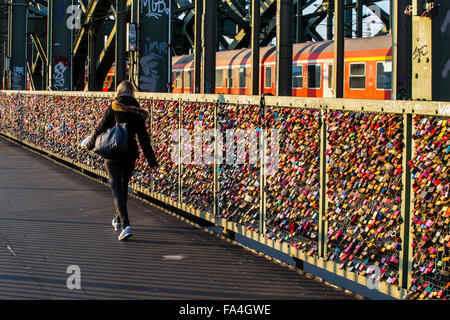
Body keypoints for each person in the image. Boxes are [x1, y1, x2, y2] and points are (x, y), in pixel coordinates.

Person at [84, 80, 158, 240]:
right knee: (123, 188)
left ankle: (126, 225)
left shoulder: (113, 108)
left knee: (116, 190)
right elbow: (144, 139)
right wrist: (152, 161)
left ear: (118, 91)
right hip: (130, 155)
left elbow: (99, 129)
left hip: (112, 155)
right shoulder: (137, 111)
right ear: (132, 93)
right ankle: (117, 220)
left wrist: (89, 146)